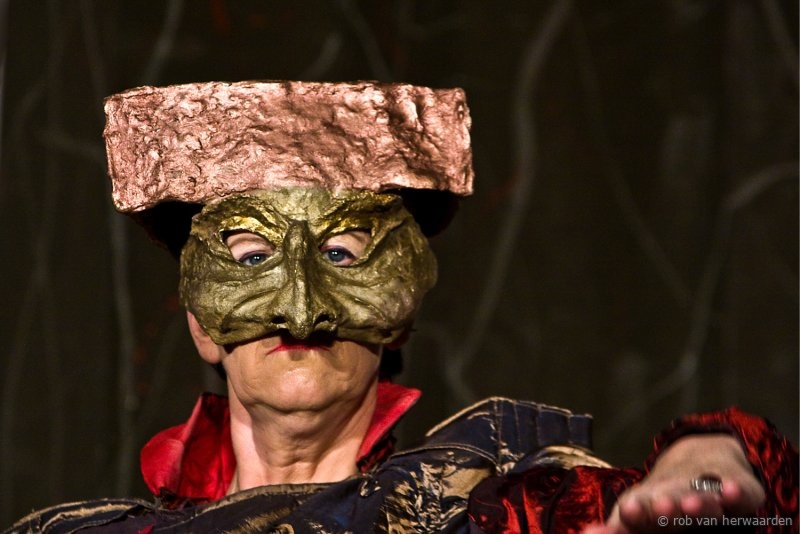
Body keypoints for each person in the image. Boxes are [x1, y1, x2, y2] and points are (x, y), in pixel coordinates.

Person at [6, 81, 796, 533]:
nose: (302, 310)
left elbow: (722, 516)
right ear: (201, 325)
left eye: (343, 257)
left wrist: (711, 468)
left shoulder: (505, 511)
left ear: (403, 312)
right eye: (250, 260)